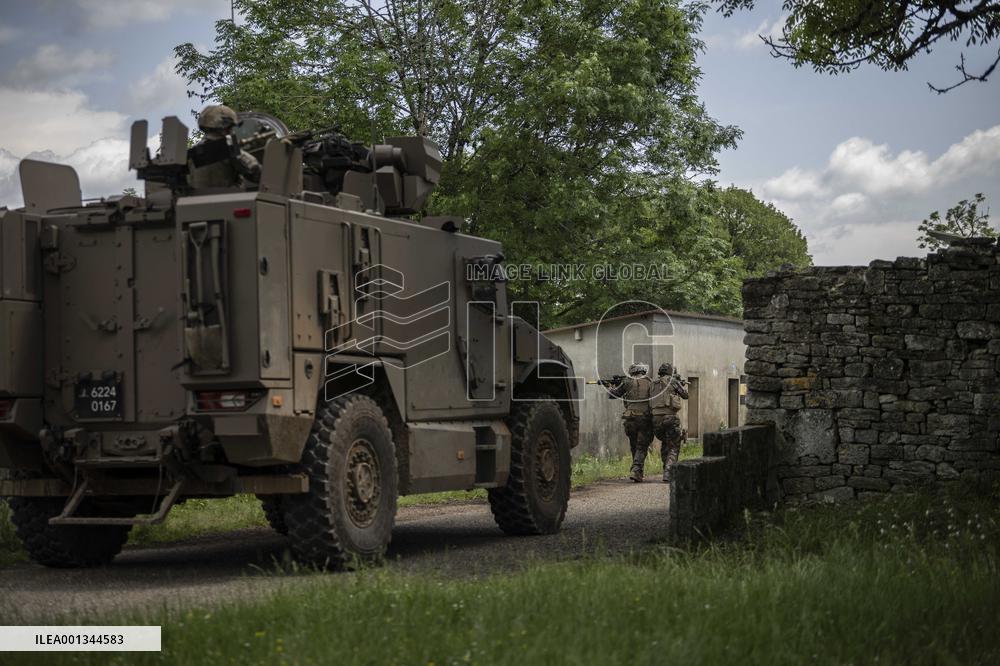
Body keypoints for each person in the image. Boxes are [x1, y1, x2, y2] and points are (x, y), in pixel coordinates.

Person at [189, 104, 261, 189]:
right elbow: (254, 170)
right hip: (230, 199)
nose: (231, 131)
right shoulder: (227, 148)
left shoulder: (193, 153)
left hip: (197, 200)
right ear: (225, 126)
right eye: (230, 127)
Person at [611, 363, 653, 483]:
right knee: (641, 446)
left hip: (630, 420)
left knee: (634, 445)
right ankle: (636, 470)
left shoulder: (627, 382)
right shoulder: (651, 383)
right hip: (644, 419)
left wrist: (611, 387)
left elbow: (613, 395)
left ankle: (637, 471)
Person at [650, 362, 689, 483]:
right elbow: (685, 395)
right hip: (670, 418)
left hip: (655, 420)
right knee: (673, 446)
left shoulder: (653, 383)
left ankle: (665, 469)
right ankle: (668, 472)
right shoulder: (672, 381)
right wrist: (680, 385)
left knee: (665, 444)